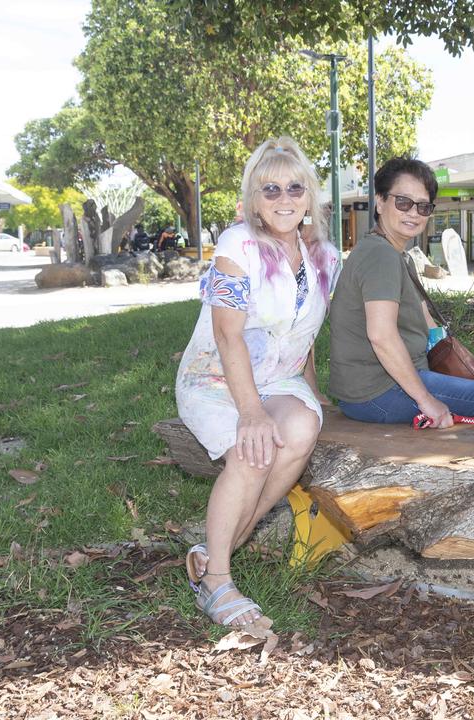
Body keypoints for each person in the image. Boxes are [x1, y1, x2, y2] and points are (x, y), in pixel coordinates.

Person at [175, 137, 340, 628]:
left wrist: (315, 392)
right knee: (254, 451)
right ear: (253, 199)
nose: (284, 199)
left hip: (278, 381)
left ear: (309, 197)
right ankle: (217, 583)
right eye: (271, 189)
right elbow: (228, 335)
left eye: (295, 188)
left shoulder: (324, 257)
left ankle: (221, 545)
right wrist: (250, 413)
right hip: (216, 379)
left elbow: (302, 337)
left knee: (304, 427)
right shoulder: (236, 246)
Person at [328, 157, 474, 428]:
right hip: (378, 391)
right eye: (403, 202)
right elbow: (381, 336)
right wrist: (425, 399)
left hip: (372, 388)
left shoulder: (394, 253)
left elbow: (423, 318)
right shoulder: (381, 256)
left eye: (423, 206)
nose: (413, 213)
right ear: (380, 201)